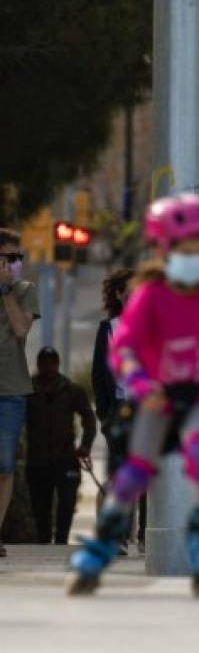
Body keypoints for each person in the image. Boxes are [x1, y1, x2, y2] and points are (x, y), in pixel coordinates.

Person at [68, 194, 199, 596]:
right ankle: (105, 541)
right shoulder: (149, 297)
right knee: (135, 471)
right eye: (187, 247)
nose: (197, 255)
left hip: (197, 393)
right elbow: (125, 351)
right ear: (163, 249)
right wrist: (138, 384)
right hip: (154, 394)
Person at [91, 268, 144, 555]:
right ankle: (120, 536)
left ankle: (147, 534)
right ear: (120, 296)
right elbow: (98, 375)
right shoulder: (108, 328)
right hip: (119, 409)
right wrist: (104, 413)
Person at [25, 347, 96, 544]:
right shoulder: (28, 391)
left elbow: (89, 418)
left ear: (57, 364)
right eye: (44, 362)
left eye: (51, 362)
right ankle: (43, 540)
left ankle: (61, 540)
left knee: (67, 502)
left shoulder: (71, 390)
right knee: (40, 506)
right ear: (38, 364)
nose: (47, 367)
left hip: (66, 458)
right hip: (37, 459)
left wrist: (85, 446)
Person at [0, 227, 38, 558]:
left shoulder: (25, 290)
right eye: (7, 258)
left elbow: (21, 328)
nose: (14, 264)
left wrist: (5, 290)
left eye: (17, 258)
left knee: (5, 466)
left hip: (11, 391)